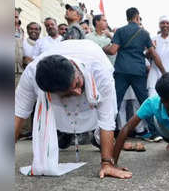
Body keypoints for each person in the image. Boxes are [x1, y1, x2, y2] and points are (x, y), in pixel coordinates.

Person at [15, 39, 131, 179]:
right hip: (55, 87)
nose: (77, 92)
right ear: (49, 93)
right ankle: (65, 134)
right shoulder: (31, 75)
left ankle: (98, 139)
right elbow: (18, 114)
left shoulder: (99, 71)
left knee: (105, 116)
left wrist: (107, 164)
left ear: (76, 69)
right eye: (68, 93)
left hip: (91, 52)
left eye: (77, 83)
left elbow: (106, 119)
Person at [103, 7, 167, 142]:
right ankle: (154, 133)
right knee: (144, 101)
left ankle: (108, 133)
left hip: (121, 70)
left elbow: (113, 50)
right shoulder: (144, 33)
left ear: (127, 18)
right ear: (137, 17)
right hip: (138, 71)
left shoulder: (120, 31)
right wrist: (164, 72)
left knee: (116, 102)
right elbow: (153, 54)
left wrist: (104, 49)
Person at [147, 16, 169, 97]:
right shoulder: (153, 39)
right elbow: (147, 56)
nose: (165, 25)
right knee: (153, 97)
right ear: (159, 25)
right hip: (155, 73)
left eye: (167, 23)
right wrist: (151, 49)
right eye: (163, 23)